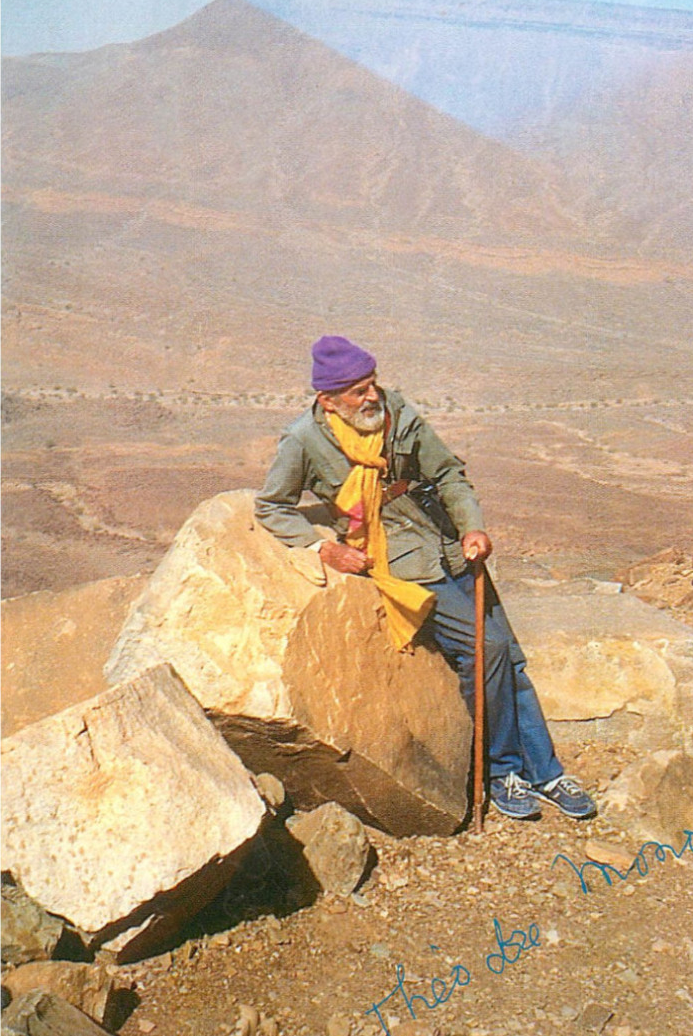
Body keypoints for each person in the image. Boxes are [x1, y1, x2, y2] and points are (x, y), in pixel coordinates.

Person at [255, 335, 596, 822]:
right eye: (357, 391)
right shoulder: (303, 441)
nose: (371, 397)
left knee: (510, 657)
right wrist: (324, 548)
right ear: (327, 400)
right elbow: (272, 506)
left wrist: (472, 524)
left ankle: (545, 772)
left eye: (372, 385)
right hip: (402, 565)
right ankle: (502, 771)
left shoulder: (395, 411)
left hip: (449, 542)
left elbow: (449, 473)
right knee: (488, 650)